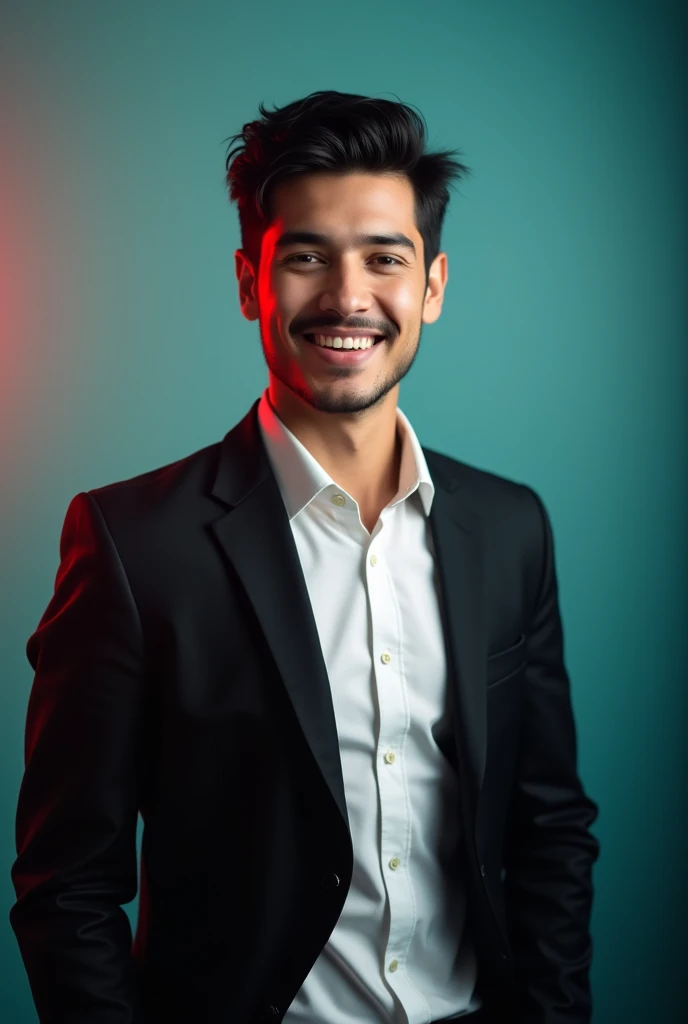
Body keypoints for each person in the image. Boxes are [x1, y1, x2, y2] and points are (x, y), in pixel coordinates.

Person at [10, 90, 600, 1024]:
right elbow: (65, 886)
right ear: (250, 281)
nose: (347, 297)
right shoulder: (132, 545)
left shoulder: (510, 527)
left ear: (433, 287)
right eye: (308, 257)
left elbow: (550, 827)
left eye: (385, 259)